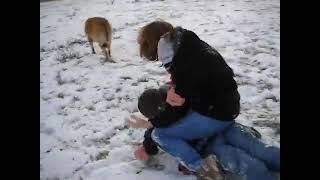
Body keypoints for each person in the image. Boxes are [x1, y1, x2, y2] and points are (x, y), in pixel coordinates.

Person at [138, 26, 242, 179]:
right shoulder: (190, 46)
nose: (167, 68)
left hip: (218, 114)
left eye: (165, 63)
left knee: (160, 134)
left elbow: (177, 110)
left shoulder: (184, 67)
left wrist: (152, 125)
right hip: (227, 105)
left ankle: (203, 168)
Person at [129, 87, 280, 180]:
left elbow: (152, 138)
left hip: (216, 137)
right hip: (216, 137)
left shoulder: (173, 106)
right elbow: (149, 143)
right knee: (250, 156)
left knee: (252, 156)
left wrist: (144, 145)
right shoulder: (159, 126)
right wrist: (143, 149)